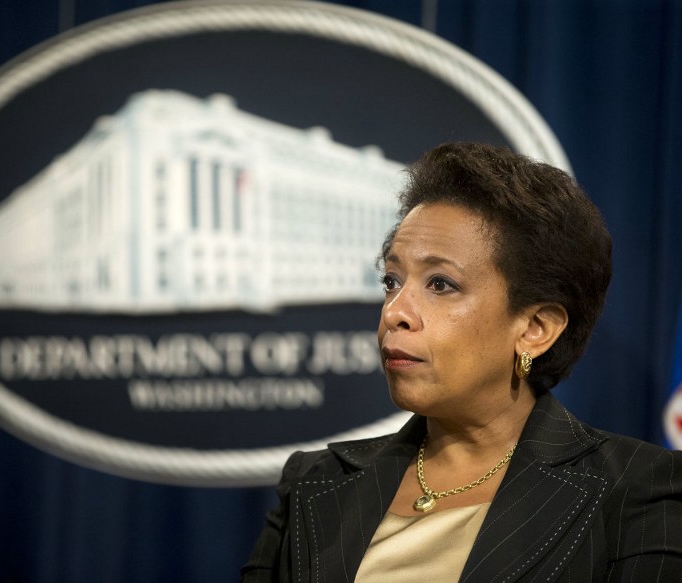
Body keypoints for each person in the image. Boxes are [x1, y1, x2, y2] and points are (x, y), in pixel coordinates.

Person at [241, 142, 682, 582]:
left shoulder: (636, 490)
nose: (394, 312)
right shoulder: (312, 482)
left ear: (535, 328)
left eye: (440, 284)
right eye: (391, 280)